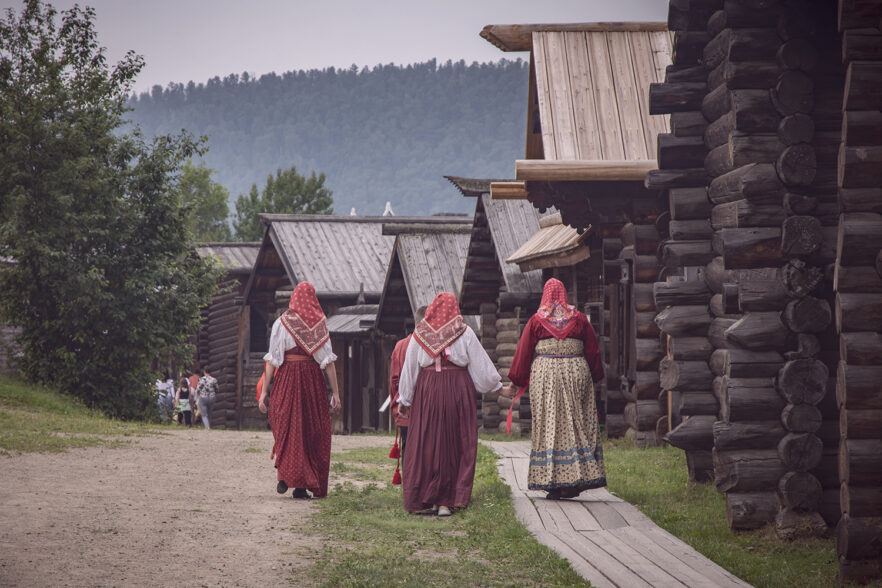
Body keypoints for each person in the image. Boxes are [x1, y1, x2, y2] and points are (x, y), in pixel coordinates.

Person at [501, 278, 606, 500]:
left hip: (545, 373)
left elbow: (523, 353)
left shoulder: (537, 320)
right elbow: (593, 351)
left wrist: (515, 381)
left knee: (549, 423)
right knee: (576, 422)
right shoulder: (579, 319)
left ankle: (552, 480)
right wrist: (595, 375)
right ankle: (575, 479)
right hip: (576, 371)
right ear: (565, 295)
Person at [397, 292, 501, 517]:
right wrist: (497, 386)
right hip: (457, 390)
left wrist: (404, 399)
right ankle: (446, 501)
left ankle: (429, 498)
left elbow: (410, 368)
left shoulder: (420, 333)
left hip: (428, 391)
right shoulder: (464, 332)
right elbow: (480, 365)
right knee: (453, 441)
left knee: (427, 441)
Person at [258, 281, 342, 499]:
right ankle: (300, 486)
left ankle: (287, 476)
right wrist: (336, 393)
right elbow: (328, 362)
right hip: (312, 381)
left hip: (287, 378)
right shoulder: (320, 324)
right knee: (310, 429)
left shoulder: (281, 323)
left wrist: (265, 392)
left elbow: (273, 361)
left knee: (287, 425)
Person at [388, 305, 427, 469]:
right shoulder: (430, 345)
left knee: (407, 447)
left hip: (404, 405)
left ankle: (409, 489)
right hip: (426, 405)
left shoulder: (400, 345)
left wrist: (394, 403)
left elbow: (393, 380)